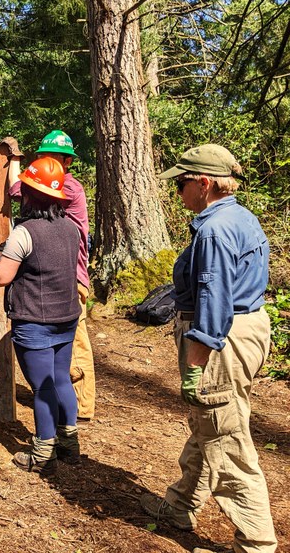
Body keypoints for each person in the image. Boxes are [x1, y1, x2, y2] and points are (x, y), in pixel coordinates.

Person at [140, 144, 277, 553]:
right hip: (246, 330)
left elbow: (214, 299)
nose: (177, 191)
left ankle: (256, 543)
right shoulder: (239, 216)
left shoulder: (215, 229)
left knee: (226, 438)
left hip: (221, 337)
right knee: (211, 423)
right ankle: (180, 504)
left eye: (181, 183)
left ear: (204, 183)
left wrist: (197, 359)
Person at [0, 157, 81, 476]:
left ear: (29, 195)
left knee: (43, 388)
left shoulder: (23, 233)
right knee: (60, 380)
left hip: (34, 323)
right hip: (67, 318)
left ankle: (43, 451)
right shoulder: (71, 229)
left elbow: (2, 277)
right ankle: (69, 443)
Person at [3, 131, 95, 420]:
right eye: (45, 158)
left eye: (55, 158)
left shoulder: (68, 186)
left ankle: (78, 409)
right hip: (62, 271)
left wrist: (16, 161)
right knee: (66, 348)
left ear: (67, 161)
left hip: (70, 275)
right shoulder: (58, 186)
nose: (50, 163)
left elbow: (18, 189)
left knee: (75, 347)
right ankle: (66, 407)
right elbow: (21, 189)